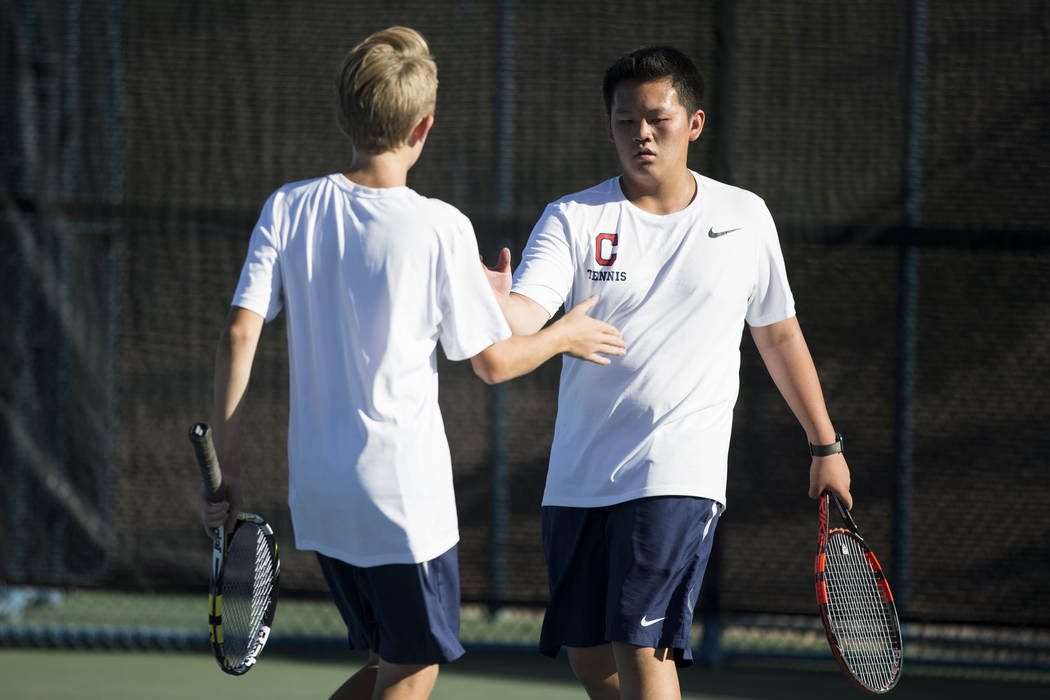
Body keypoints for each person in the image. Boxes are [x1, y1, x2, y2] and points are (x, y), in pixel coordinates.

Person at [199, 27, 625, 700]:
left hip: (319, 497)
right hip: (402, 502)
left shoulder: (287, 206)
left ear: (342, 116)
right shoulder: (440, 227)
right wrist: (565, 333)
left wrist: (228, 470)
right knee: (412, 668)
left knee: (387, 662)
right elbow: (492, 363)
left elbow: (236, 335)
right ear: (423, 127)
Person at [483, 45, 852, 699]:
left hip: (677, 475)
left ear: (695, 124)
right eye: (626, 122)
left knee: (639, 645)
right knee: (591, 659)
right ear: (610, 128)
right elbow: (522, 315)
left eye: (658, 119)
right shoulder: (574, 218)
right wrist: (491, 299)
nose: (642, 135)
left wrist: (825, 445)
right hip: (578, 480)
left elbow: (779, 333)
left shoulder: (743, 217)